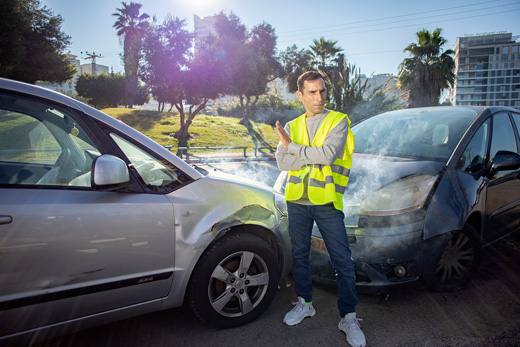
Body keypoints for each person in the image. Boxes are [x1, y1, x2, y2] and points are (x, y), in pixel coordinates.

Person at [275, 71, 366, 347]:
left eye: (322, 91)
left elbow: (328, 155)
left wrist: (294, 149)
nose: (319, 97)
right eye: (312, 92)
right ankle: (305, 303)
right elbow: (281, 161)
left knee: (342, 261)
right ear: (300, 95)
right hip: (297, 202)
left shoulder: (338, 121)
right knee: (300, 255)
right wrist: (298, 152)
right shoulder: (291, 125)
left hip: (326, 202)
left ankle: (348, 316)